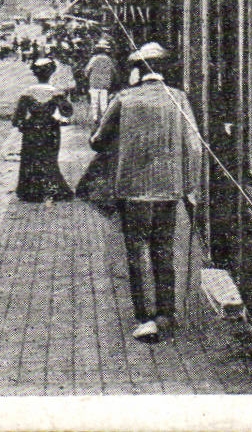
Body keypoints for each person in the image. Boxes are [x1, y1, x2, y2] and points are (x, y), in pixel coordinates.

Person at [89, 41, 203, 343]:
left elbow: (98, 139)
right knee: (164, 249)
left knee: (135, 252)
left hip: (132, 189)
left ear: (136, 71)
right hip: (169, 189)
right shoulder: (178, 98)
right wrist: (192, 187)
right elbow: (194, 145)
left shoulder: (125, 99)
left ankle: (145, 318)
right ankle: (167, 312)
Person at [12, 58, 74, 203]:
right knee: (50, 159)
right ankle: (52, 188)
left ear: (35, 74)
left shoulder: (27, 92)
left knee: (31, 158)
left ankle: (31, 191)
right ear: (51, 73)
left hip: (32, 128)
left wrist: (22, 125)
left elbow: (17, 119)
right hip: (50, 128)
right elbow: (67, 112)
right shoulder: (56, 92)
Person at [84, 38, 117, 125]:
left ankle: (95, 117)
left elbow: (87, 70)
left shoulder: (94, 59)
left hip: (94, 83)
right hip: (105, 84)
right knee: (104, 103)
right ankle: (104, 118)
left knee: (94, 102)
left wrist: (87, 76)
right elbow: (113, 71)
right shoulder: (109, 60)